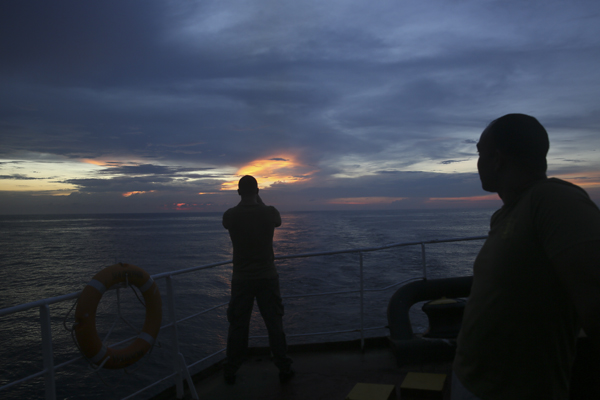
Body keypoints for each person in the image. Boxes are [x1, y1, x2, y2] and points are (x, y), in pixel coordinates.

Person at [452, 114, 600, 399]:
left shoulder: (555, 200)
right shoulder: (508, 213)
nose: (478, 163)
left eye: (480, 154)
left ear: (497, 159)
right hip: (471, 381)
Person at [222, 175, 294, 385]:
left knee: (238, 325)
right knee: (274, 324)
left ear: (238, 192)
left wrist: (246, 200)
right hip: (267, 277)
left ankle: (231, 369)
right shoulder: (269, 213)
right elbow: (277, 221)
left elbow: (227, 223)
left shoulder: (230, 215)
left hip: (241, 279)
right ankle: (283, 367)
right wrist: (258, 200)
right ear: (258, 191)